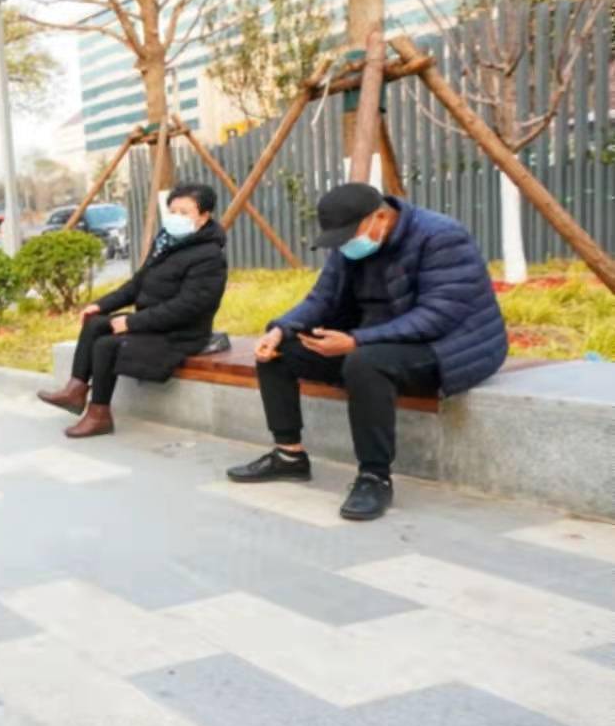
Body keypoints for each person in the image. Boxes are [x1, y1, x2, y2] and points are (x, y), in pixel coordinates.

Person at [225, 182, 507, 521]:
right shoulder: (350, 245)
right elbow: (322, 300)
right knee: (278, 351)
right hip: (374, 338)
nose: (345, 244)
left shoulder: (441, 237)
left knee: (365, 362)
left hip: (448, 346)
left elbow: (437, 317)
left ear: (381, 217)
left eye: (350, 234)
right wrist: (280, 328)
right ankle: (289, 456)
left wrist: (357, 340)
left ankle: (374, 477)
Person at [37, 183, 228, 438]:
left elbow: (189, 307)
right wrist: (102, 304)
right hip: (153, 325)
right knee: (95, 323)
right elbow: (138, 284)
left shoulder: (209, 256)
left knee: (106, 345)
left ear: (204, 217)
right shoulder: (166, 242)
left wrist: (133, 322)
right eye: (173, 211)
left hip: (181, 334)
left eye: (185, 212)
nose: (177, 218)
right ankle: (75, 391)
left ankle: (99, 415)